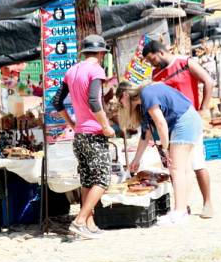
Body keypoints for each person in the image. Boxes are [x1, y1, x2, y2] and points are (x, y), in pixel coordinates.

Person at [142, 40, 216, 219]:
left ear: (160, 52)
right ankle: (183, 205)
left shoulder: (185, 62)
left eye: (152, 59)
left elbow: (208, 81)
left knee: (197, 164)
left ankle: (207, 203)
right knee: (177, 167)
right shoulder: (156, 74)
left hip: (190, 120)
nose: (152, 64)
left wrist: (204, 109)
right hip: (171, 125)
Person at [52, 34, 115, 239]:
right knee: (102, 179)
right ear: (100, 53)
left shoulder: (72, 70)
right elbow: (94, 102)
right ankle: (79, 221)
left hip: (79, 135)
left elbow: (56, 101)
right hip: (94, 133)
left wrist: (71, 122)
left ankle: (89, 223)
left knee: (87, 180)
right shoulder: (96, 69)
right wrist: (106, 126)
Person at [117, 81, 203, 226]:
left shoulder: (146, 94)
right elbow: (146, 134)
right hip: (189, 118)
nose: (121, 106)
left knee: (176, 169)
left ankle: (179, 212)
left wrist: (165, 149)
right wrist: (136, 160)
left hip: (184, 121)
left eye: (120, 102)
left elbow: (161, 123)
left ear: (125, 95)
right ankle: (183, 209)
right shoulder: (143, 103)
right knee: (184, 169)